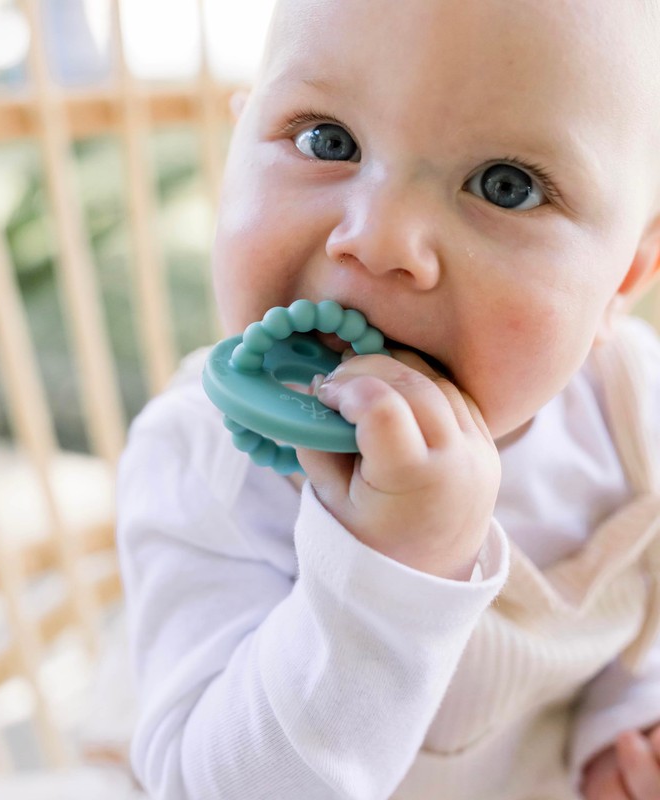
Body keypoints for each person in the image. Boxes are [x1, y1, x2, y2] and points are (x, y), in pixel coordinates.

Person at [116, 0, 660, 797]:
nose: (377, 239)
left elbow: (638, 628)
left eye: (505, 187)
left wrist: (628, 723)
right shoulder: (205, 463)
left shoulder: (632, 413)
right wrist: (387, 573)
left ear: (623, 279)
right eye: (326, 140)